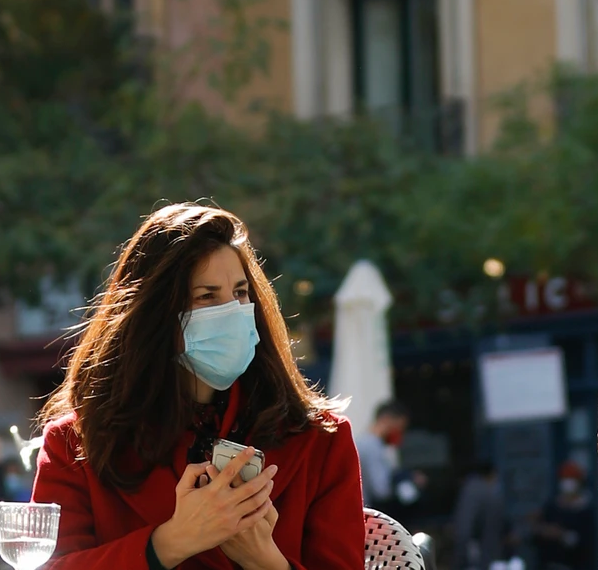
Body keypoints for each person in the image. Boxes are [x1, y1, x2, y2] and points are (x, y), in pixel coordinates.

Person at [32, 203, 364, 570]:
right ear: (154, 317)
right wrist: (170, 542)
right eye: (206, 297)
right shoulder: (75, 445)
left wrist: (265, 561)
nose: (232, 311)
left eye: (240, 293)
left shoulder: (321, 440)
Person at [354, 402, 422, 521]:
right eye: (399, 428)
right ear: (386, 420)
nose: (400, 434)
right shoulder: (371, 446)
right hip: (366, 517)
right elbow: (381, 491)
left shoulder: (368, 443)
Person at [530, 461, 597, 570]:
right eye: (565, 478)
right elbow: (536, 533)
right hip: (548, 563)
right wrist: (542, 530)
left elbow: (586, 542)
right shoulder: (552, 506)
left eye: (571, 478)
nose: (567, 483)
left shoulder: (586, 510)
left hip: (575, 564)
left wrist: (562, 535)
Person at [446, 459, 505, 570]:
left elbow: (463, 529)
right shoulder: (488, 491)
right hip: (488, 554)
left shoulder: (473, 491)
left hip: (478, 556)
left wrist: (458, 559)